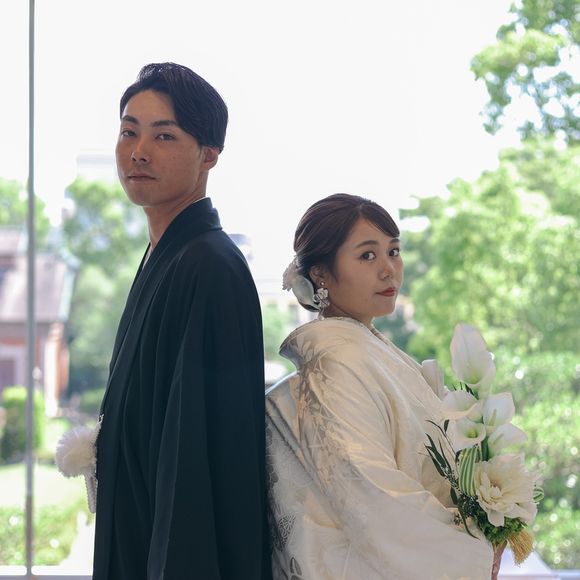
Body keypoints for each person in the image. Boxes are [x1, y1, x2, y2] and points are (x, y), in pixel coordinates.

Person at [92, 63, 271, 579]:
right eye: (129, 131)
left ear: (208, 154)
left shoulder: (209, 266)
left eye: (164, 135)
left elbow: (195, 463)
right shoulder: (167, 255)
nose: (138, 151)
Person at [265, 193, 501, 579]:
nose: (389, 269)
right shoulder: (337, 364)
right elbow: (372, 495)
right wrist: (472, 551)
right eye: (367, 256)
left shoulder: (364, 349)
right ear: (321, 273)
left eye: (394, 251)